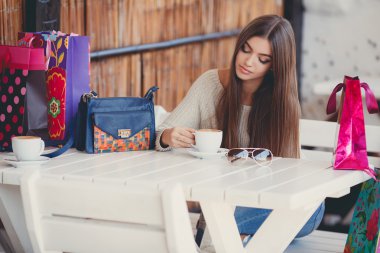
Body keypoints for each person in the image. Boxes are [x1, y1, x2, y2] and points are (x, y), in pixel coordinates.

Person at [155, 14, 325, 245]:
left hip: (295, 206)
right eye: (246, 50)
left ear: (275, 65)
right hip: (225, 202)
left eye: (262, 59)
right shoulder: (210, 84)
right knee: (227, 224)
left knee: (226, 222)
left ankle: (216, 237)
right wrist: (167, 137)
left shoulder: (282, 102)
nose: (248, 62)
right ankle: (236, 237)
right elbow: (162, 132)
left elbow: (291, 175)